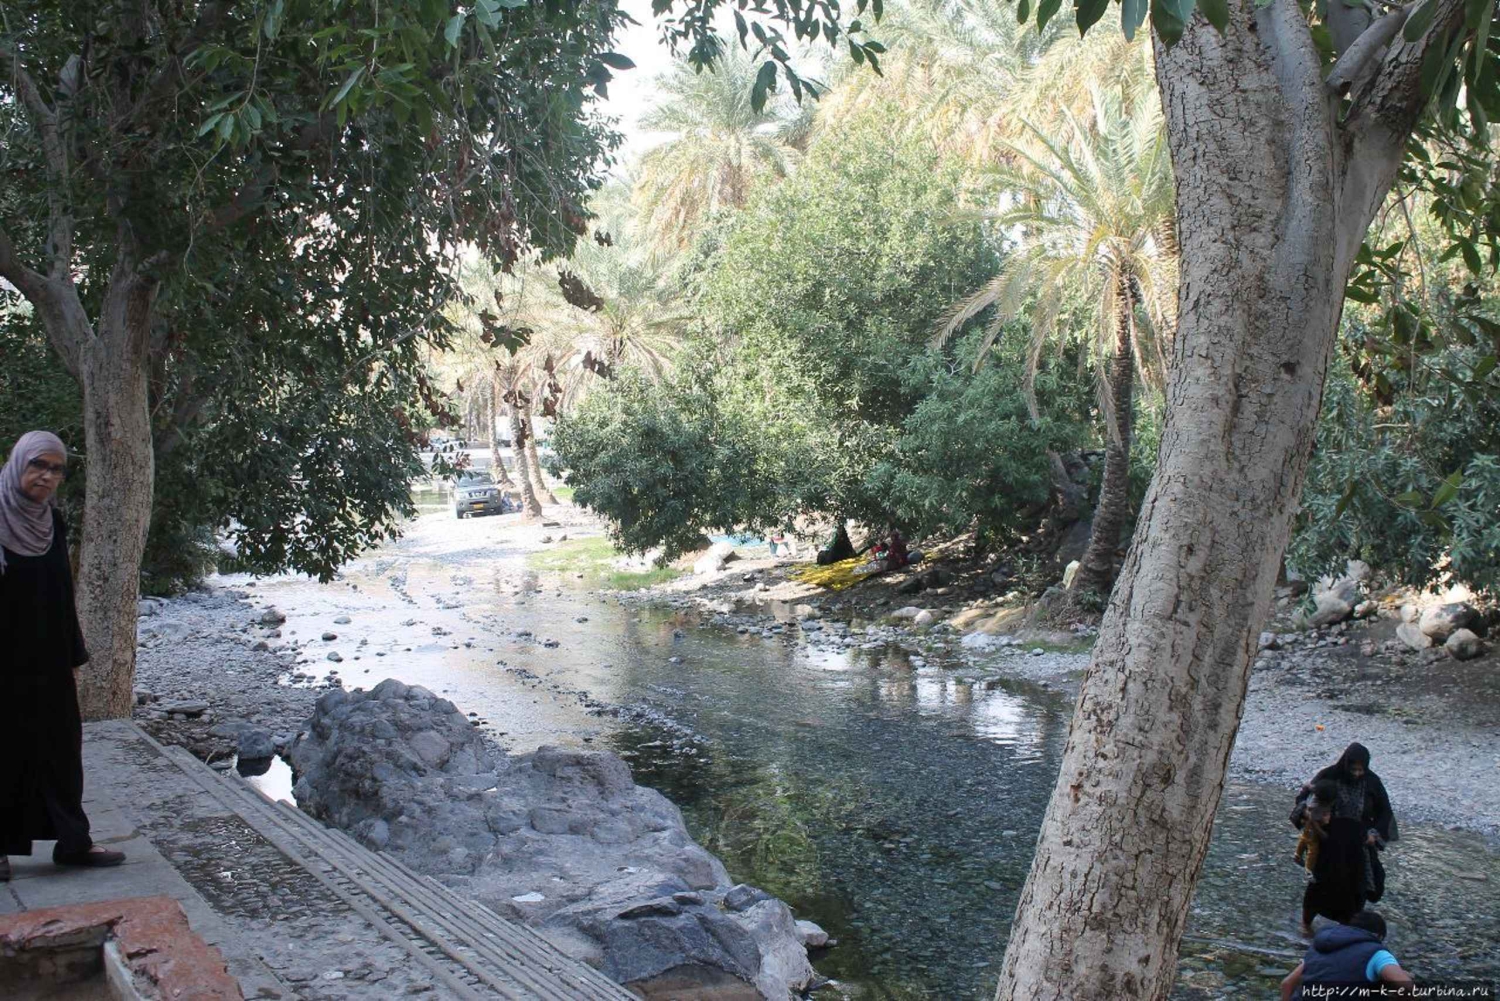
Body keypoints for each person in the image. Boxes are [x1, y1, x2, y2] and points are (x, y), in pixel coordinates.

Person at [0, 431, 126, 881]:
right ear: (18, 463)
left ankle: (73, 843)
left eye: (56, 469)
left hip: (48, 656)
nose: (47, 476)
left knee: (61, 749)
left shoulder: (51, 522)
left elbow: (62, 592)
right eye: (39, 465)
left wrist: (73, 654)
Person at [1292, 742, 1396, 935]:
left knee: (1355, 889)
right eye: (1353, 769)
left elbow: (1385, 813)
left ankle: (1347, 930)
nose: (1356, 774)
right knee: (1319, 887)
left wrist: (1374, 835)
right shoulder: (1329, 775)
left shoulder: (1372, 782)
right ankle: (1306, 927)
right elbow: (1304, 798)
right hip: (1329, 843)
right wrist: (1308, 814)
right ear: (1345, 764)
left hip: (1358, 846)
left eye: (1360, 770)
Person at [1279, 910, 1413, 999]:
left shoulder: (1317, 947)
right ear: (1378, 936)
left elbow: (1287, 984)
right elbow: (1406, 987)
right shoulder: (1377, 953)